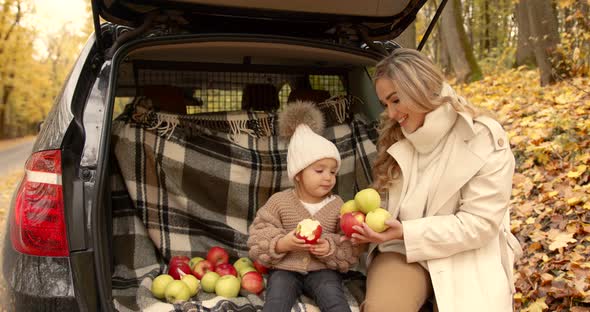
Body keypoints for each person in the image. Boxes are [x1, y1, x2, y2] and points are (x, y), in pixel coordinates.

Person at [348, 48, 523, 312]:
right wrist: (369, 233)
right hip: (402, 250)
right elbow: (384, 208)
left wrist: (408, 230)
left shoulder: (483, 136)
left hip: (468, 255)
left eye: (395, 100)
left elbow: (480, 224)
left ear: (420, 88)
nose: (392, 113)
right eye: (385, 104)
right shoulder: (395, 137)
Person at [247, 101, 362, 312]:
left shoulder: (339, 206)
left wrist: (329, 248)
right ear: (298, 174)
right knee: (275, 303)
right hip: (285, 270)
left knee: (335, 301)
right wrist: (283, 243)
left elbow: (351, 246)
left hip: (323, 271)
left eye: (333, 172)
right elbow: (257, 238)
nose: (328, 178)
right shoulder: (279, 202)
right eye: (319, 171)